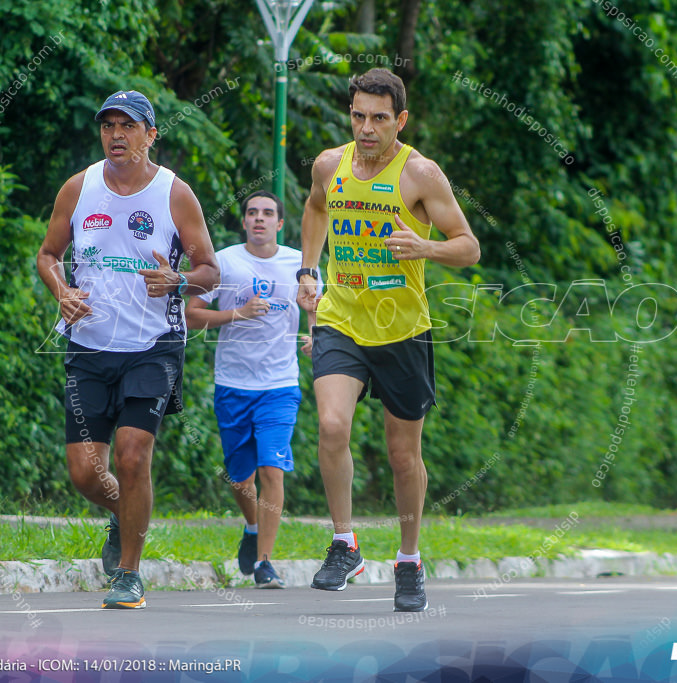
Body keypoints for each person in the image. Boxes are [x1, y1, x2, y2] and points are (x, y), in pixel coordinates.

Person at [297, 68, 481, 612]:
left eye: (379, 118)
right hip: (342, 318)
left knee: (404, 456)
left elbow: (468, 246)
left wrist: (425, 249)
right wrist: (308, 270)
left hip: (402, 329)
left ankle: (408, 558)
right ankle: (344, 542)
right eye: (358, 116)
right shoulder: (329, 165)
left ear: (399, 119)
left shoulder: (420, 174)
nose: (367, 128)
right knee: (332, 424)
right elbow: (314, 209)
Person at [37, 90, 219, 609]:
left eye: (128, 126)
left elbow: (210, 270)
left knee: (134, 455)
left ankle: (129, 573)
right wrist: (61, 291)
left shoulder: (174, 194)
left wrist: (178, 280)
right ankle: (124, 513)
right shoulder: (79, 188)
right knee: (84, 473)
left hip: (153, 345)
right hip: (89, 344)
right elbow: (49, 254)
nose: (116, 135)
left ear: (150, 134)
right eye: (108, 126)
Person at [185, 190, 317, 589]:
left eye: (268, 214)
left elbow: (315, 307)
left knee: (271, 470)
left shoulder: (300, 263)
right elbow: (191, 316)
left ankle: (264, 562)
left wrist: (315, 336)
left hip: (280, 385)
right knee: (242, 479)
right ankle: (251, 525)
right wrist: (236, 313)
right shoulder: (223, 262)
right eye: (252, 213)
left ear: (280, 223)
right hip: (232, 384)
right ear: (243, 221)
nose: (259, 219)